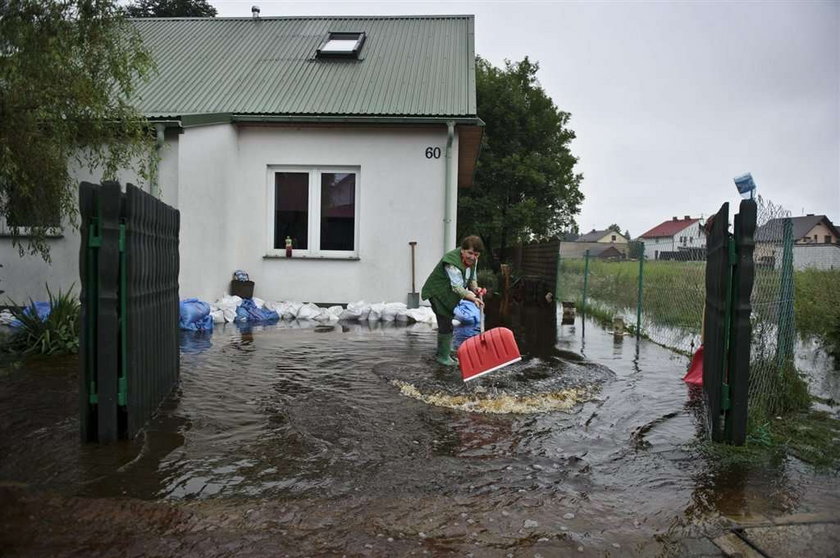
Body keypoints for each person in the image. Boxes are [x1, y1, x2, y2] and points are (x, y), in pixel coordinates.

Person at [421, 235, 486, 365]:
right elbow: (457, 287)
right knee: (445, 322)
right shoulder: (451, 262)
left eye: (476, 254)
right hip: (437, 292)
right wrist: (473, 299)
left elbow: (471, 277)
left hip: (447, 293)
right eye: (470, 253)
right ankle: (442, 357)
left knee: (448, 320)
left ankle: (445, 350)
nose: (472, 257)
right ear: (462, 250)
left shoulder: (473, 260)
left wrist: (476, 289)